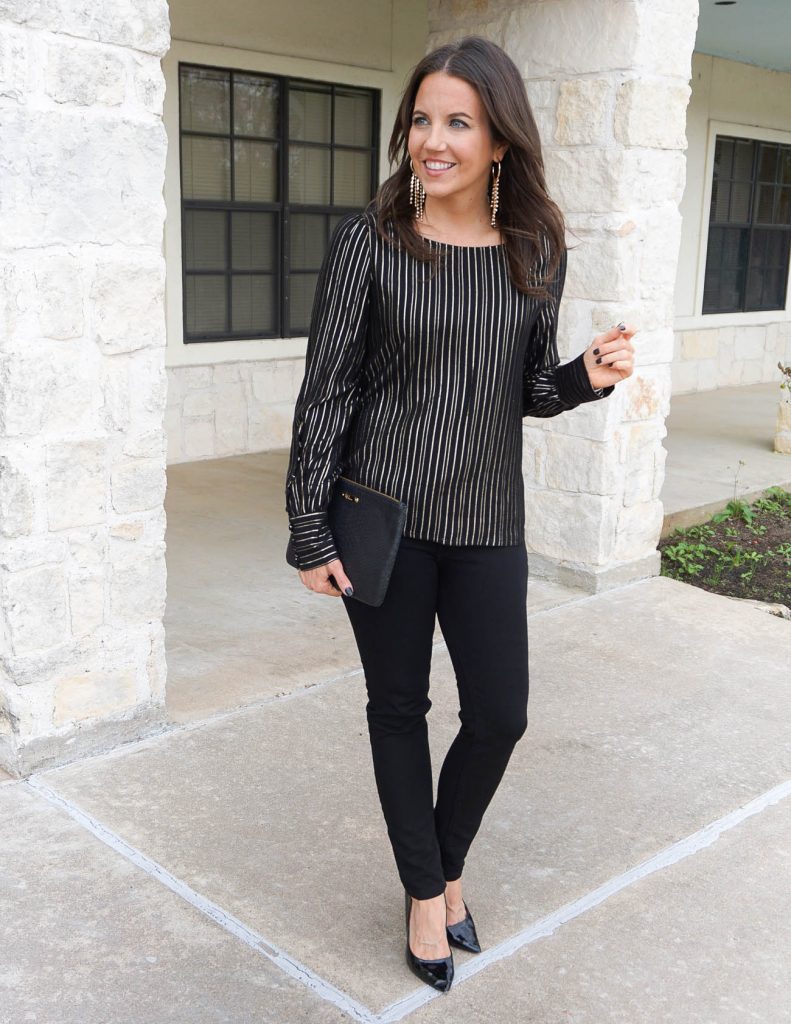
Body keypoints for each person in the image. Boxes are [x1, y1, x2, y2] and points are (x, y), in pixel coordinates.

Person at [284, 35, 635, 993]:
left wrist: (582, 380)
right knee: (397, 709)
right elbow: (328, 392)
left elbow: (522, 386)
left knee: (500, 715)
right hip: (381, 518)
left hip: (487, 522)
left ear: (499, 142)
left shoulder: (536, 247)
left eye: (457, 123)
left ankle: (441, 864)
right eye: (422, 120)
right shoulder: (370, 240)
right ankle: (426, 894)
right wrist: (307, 528)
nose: (431, 141)